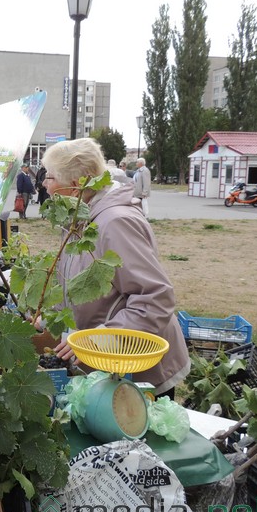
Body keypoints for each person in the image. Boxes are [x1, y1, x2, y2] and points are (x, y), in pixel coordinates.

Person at [42, 138, 190, 398]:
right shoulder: (77, 220)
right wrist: (47, 319)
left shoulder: (115, 224)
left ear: (75, 187)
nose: (44, 184)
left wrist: (94, 340)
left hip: (141, 376)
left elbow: (155, 299)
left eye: (50, 177)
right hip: (108, 368)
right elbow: (74, 288)